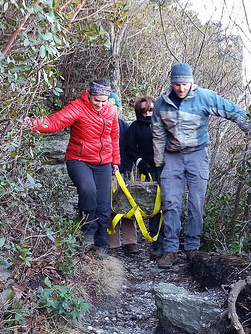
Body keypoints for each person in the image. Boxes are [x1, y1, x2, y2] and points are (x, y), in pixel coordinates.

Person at [152, 63, 251, 269]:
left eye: (184, 84)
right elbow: (157, 134)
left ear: (191, 82)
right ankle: (170, 250)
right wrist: (158, 163)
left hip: (197, 154)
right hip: (172, 156)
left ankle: (192, 248)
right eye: (177, 84)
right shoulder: (161, 104)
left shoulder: (205, 97)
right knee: (171, 203)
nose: (181, 88)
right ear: (171, 83)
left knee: (196, 203)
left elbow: (234, 112)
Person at [25, 79, 119, 254]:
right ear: (89, 95)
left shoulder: (112, 111)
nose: (99, 105)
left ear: (108, 99)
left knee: (104, 204)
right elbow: (54, 123)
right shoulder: (77, 107)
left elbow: (114, 137)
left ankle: (101, 243)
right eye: (96, 100)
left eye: (103, 101)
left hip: (104, 162)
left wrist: (115, 162)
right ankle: (87, 233)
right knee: (88, 190)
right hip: (79, 159)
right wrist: (29, 123)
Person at [124, 95, 163, 259]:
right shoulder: (135, 127)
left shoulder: (163, 124)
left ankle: (169, 245)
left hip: (167, 169)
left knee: (168, 206)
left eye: (151, 111)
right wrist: (141, 163)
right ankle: (157, 245)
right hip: (147, 171)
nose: (147, 114)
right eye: (143, 111)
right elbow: (130, 148)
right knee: (153, 207)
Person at [107, 92, 140, 255]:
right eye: (108, 105)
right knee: (111, 207)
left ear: (118, 109)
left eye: (114, 106)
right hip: (107, 172)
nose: (112, 109)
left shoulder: (125, 126)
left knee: (129, 207)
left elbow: (132, 148)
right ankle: (113, 244)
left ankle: (130, 241)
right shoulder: (100, 125)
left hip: (126, 171)